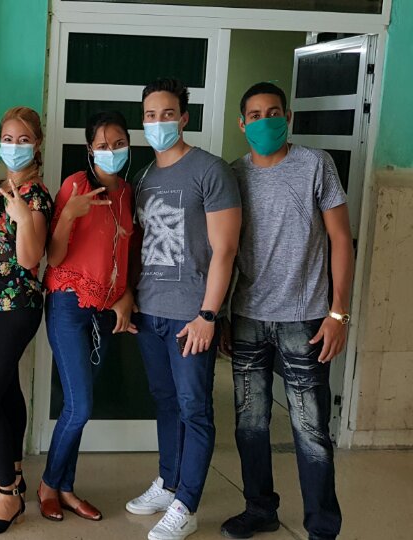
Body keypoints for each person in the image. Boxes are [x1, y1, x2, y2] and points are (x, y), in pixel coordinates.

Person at [220, 82, 351, 540]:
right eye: (254, 114)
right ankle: (260, 509)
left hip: (306, 317)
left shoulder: (315, 164)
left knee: (311, 430)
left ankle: (322, 528)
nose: (264, 121)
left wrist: (338, 314)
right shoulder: (232, 175)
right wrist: (220, 314)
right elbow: (225, 249)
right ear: (242, 124)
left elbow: (340, 239)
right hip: (248, 316)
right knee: (250, 423)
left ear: (288, 116)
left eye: (272, 112)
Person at [124, 78, 241, 540]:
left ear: (184, 117)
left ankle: (187, 504)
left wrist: (209, 315)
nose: (158, 122)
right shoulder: (144, 178)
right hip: (150, 312)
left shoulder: (210, 171)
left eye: (167, 113)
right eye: (150, 115)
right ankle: (169, 481)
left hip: (191, 316)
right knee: (166, 402)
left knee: (195, 408)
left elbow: (225, 249)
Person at [39, 110, 137, 524]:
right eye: (102, 145)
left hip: (105, 314)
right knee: (80, 405)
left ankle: (65, 487)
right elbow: (54, 256)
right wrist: (69, 214)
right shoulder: (75, 186)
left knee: (81, 405)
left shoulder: (129, 193)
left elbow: (125, 256)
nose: (110, 151)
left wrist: (125, 296)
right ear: (89, 149)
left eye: (118, 143)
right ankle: (48, 484)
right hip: (68, 305)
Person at [0, 106, 54, 535]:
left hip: (15, 307)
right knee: (5, 392)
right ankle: (16, 474)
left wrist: (22, 217)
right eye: (8, 138)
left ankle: (8, 496)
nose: (14, 146)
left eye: (23, 139)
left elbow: (29, 258)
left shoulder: (35, 196)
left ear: (37, 144)